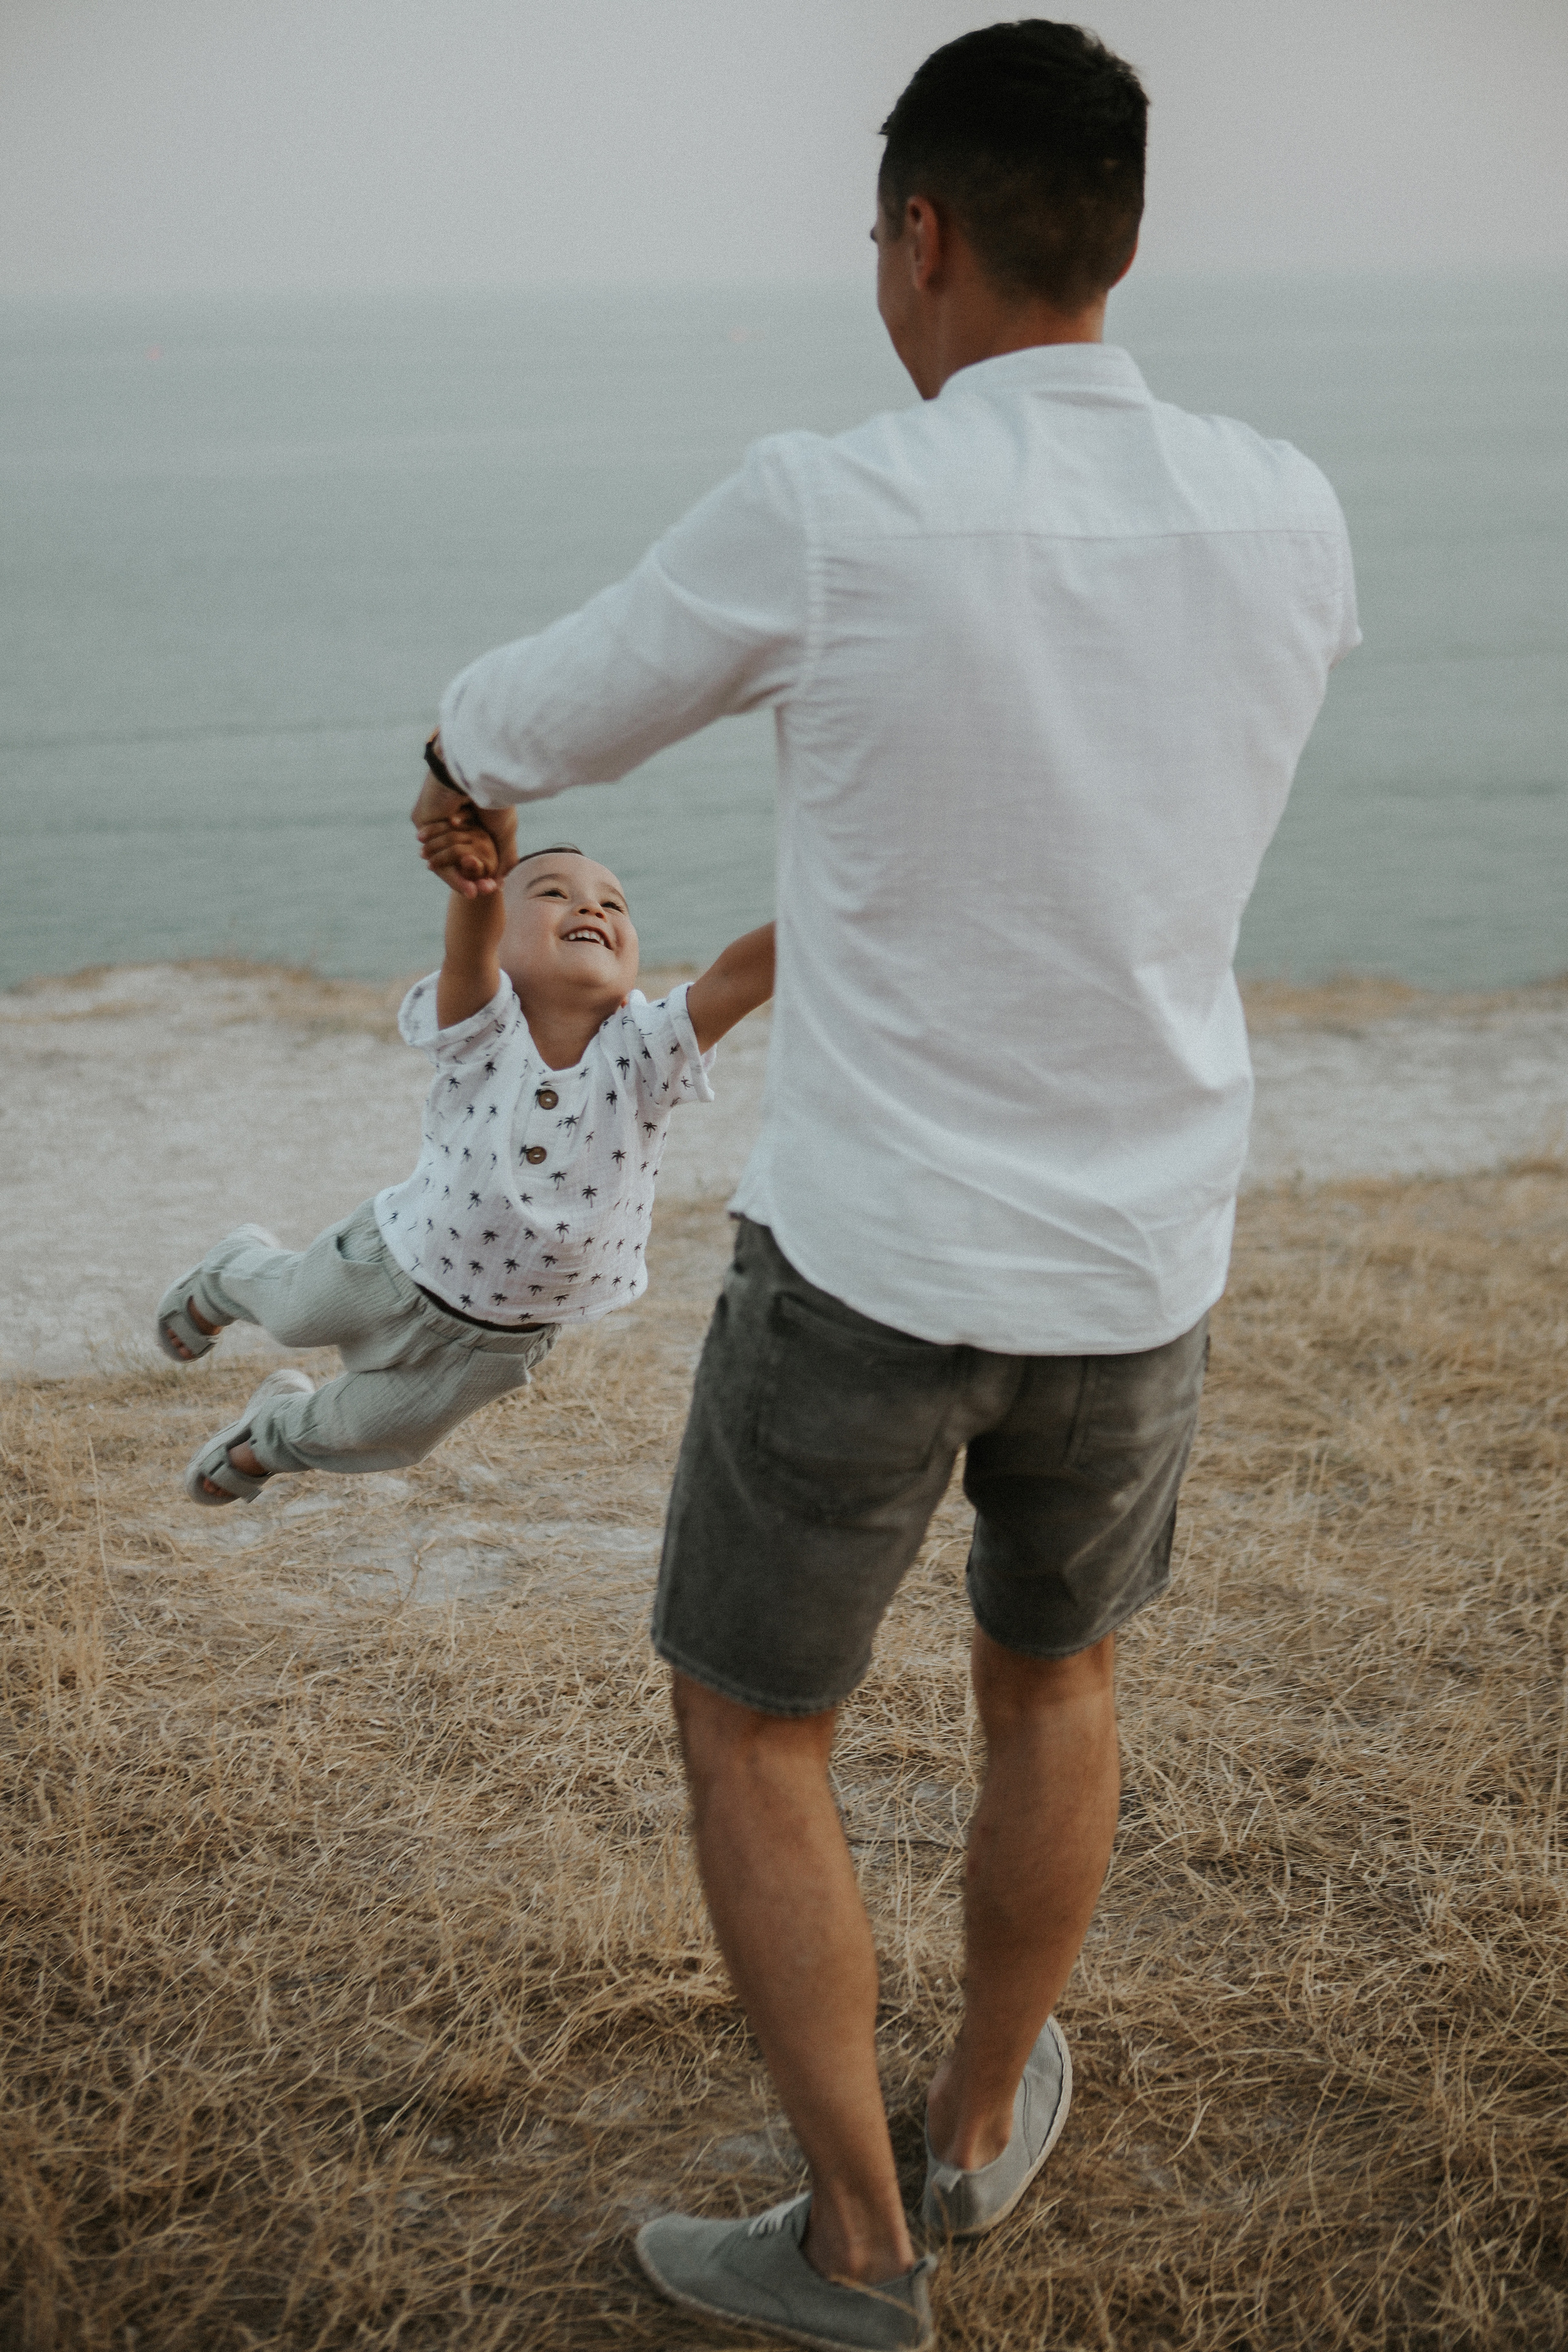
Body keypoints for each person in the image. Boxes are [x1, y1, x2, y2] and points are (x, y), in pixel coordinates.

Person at [413, 22, 1359, 2348]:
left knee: (755, 1720)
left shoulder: (838, 502)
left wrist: (454, 781)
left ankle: (855, 2248)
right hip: (1138, 1257)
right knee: (1054, 1684)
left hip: (867, 1264)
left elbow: (524, 720)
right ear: (1115, 236)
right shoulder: (1285, 508)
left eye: (876, 239)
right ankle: (965, 2126)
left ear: (918, 237)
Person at [157, 835, 773, 1506]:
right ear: (501, 939)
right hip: (391, 1261)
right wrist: (475, 888)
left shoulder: (649, 1053)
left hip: (501, 1339)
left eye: (613, 903)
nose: (590, 907)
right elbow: (468, 950)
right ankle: (226, 1273)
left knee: (382, 1431)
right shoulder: (483, 1029)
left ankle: (268, 1438)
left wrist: (833, 912)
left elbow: (738, 978)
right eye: (553, 893)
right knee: (294, 1316)